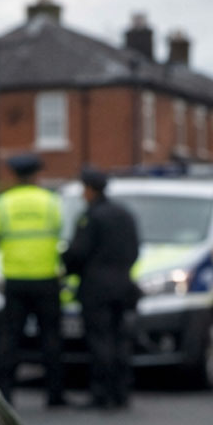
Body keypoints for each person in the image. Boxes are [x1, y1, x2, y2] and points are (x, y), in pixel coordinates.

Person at [0, 154, 67, 406]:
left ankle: (6, 394)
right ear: (36, 175)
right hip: (46, 279)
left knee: (10, 339)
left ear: (14, 175)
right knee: (51, 338)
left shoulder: (1, 203)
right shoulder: (52, 202)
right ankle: (55, 395)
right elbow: (61, 232)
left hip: (14, 280)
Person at [63, 169, 142, 409]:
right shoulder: (125, 214)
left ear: (90, 189)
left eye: (83, 189)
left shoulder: (91, 217)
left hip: (96, 288)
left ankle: (102, 393)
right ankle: (122, 392)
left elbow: (78, 253)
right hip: (124, 286)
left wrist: (67, 266)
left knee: (100, 340)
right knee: (120, 339)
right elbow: (135, 250)